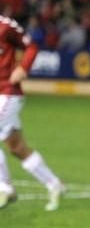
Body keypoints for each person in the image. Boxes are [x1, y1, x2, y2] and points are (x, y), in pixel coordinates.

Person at [0, 15, 66, 211]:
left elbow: (31, 46)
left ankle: (4, 188)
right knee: (17, 147)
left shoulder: (5, 26)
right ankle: (54, 184)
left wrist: (23, 67)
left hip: (8, 93)